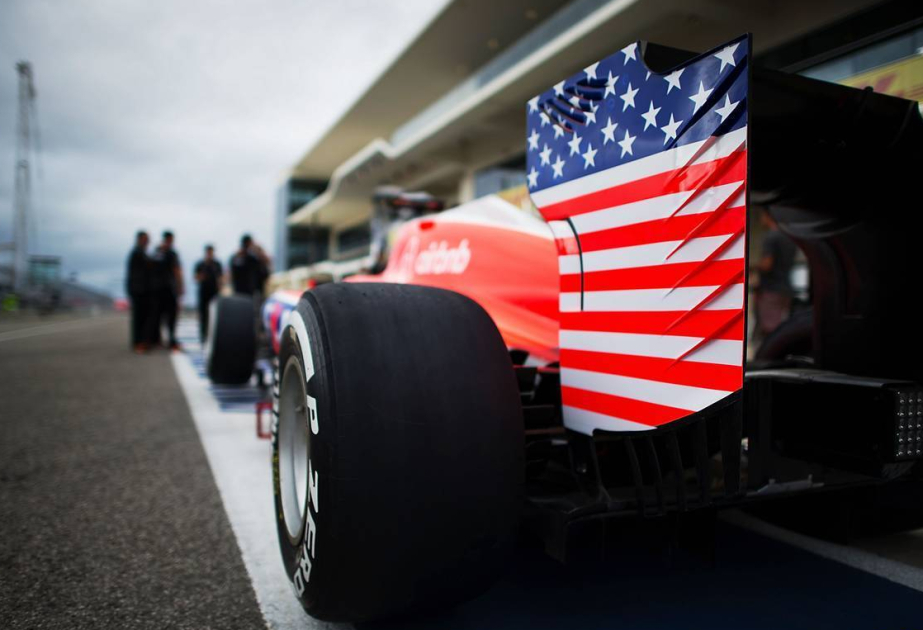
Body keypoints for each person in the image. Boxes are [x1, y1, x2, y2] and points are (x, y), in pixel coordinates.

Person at [755, 210, 798, 338]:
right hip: (786, 287)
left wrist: (753, 267)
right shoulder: (789, 237)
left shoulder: (771, 237)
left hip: (771, 289)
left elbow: (767, 264)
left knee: (770, 329)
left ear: (768, 215)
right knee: (782, 327)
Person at [151, 230, 184, 350]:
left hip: (162, 288)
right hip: (165, 288)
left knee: (162, 315)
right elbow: (177, 271)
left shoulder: (159, 252)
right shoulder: (167, 253)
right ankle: (167, 341)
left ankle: (163, 340)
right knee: (166, 316)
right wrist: (180, 287)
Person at [125, 230, 152, 354]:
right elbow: (134, 274)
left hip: (143, 290)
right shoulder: (137, 253)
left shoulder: (142, 253)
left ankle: (142, 341)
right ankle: (138, 343)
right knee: (138, 317)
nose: (147, 241)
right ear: (140, 239)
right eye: (145, 239)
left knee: (144, 317)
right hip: (138, 290)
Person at [193, 244, 223, 342]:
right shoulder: (200, 264)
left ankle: (213, 335)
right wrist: (201, 277)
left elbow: (221, 277)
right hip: (203, 292)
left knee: (213, 314)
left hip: (214, 292)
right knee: (203, 314)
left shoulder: (217, 264)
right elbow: (196, 278)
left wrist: (221, 287)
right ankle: (203, 335)